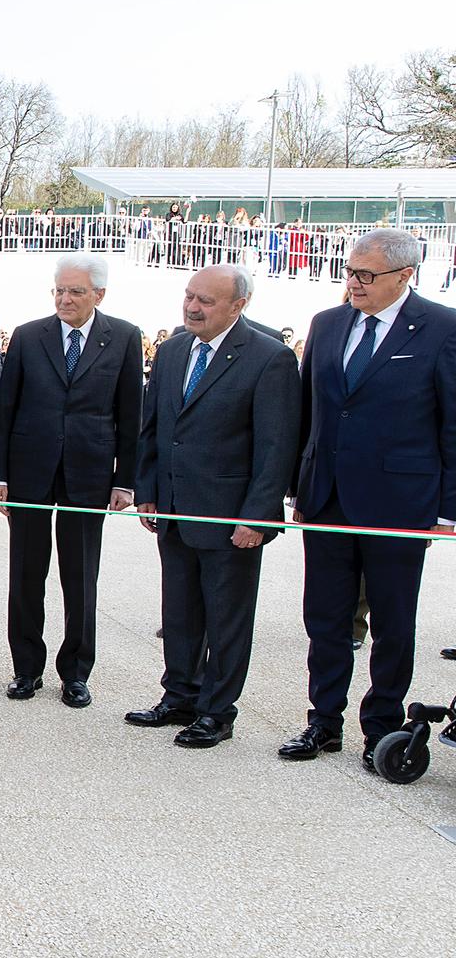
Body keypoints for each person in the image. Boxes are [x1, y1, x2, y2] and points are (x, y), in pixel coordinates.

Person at [280, 228, 456, 771]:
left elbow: (452, 424)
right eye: (350, 272)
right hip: (328, 498)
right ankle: (322, 721)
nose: (353, 283)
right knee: (325, 618)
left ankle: (381, 727)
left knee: (392, 623)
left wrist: (447, 508)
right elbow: (309, 412)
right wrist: (299, 487)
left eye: (366, 275)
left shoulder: (442, 328)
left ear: (405, 276)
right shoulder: (328, 324)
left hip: (401, 502)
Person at [131, 264, 301, 748]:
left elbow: (276, 446)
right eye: (189, 296)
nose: (192, 307)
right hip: (175, 510)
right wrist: (148, 490)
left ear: (238, 306)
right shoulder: (171, 352)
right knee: (179, 611)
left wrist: (258, 516)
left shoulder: (269, 359)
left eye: (205, 300)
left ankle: (216, 711)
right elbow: (155, 427)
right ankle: (179, 695)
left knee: (226, 618)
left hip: (232, 518)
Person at [0, 254, 142, 707]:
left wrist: (125, 481)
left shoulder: (125, 338)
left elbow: (131, 417)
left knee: (80, 579)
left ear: (99, 295)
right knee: (26, 575)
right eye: (59, 290)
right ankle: (25, 669)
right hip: (30, 473)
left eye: (75, 291)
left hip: (89, 475)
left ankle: (75, 672)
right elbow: (4, 411)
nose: (64, 299)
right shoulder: (29, 336)